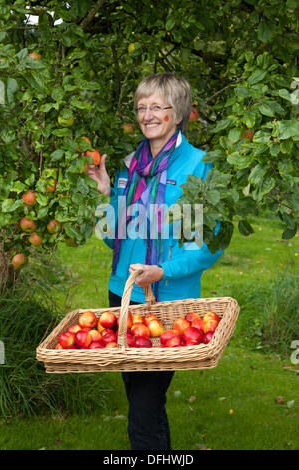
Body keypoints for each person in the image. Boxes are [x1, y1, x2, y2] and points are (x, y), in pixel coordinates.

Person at [88, 72, 223, 451]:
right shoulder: (129, 166)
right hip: (124, 295)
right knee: (140, 399)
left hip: (168, 301)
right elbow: (114, 236)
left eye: (156, 107)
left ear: (178, 113)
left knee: (145, 405)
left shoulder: (200, 166)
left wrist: (163, 270)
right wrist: (104, 196)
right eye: (141, 107)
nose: (146, 115)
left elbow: (212, 241)